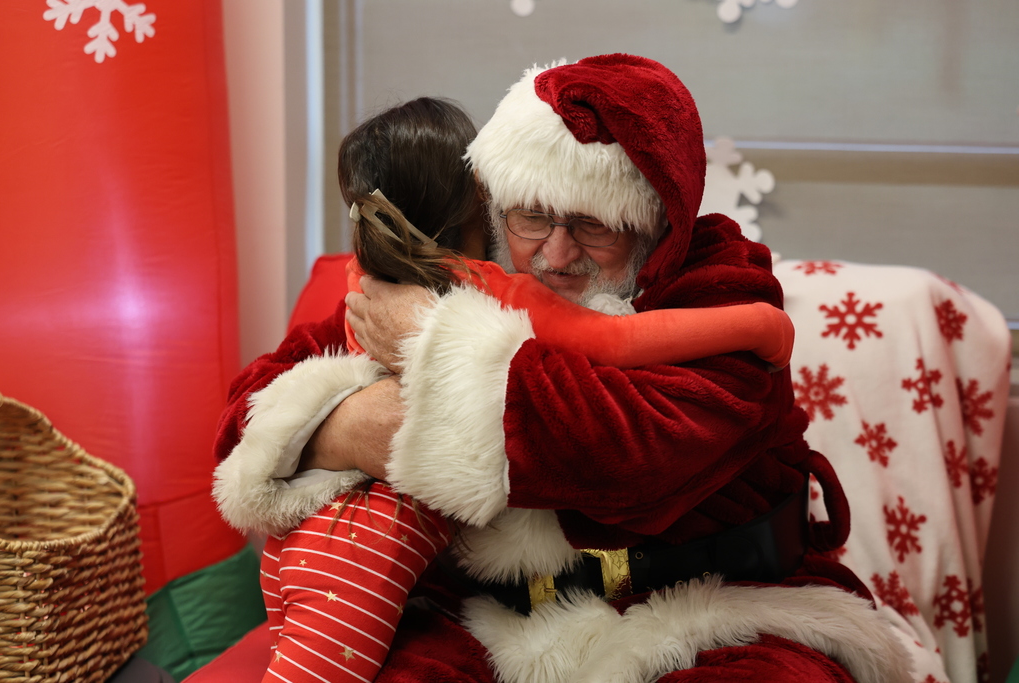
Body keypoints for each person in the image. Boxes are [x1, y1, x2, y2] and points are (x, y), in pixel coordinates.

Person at [215, 56, 913, 683]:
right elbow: (243, 414)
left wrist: (430, 350)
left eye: (591, 225)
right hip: (497, 621)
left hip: (720, 609)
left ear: (655, 222)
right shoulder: (467, 273)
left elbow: (625, 456)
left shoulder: (723, 283)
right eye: (530, 219)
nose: (554, 253)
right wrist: (342, 427)